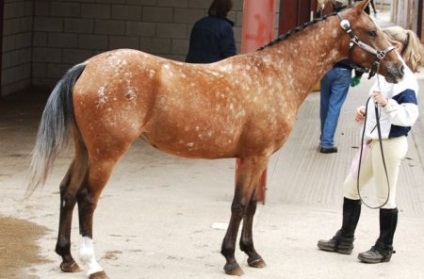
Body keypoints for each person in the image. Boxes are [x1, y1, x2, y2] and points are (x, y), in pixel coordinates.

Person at [317, 26, 424, 263]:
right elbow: (381, 103)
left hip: (390, 143)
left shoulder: (404, 78)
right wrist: (367, 109)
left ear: (395, 47)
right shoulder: (385, 72)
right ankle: (345, 238)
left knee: (386, 196)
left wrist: (386, 105)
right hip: (375, 140)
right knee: (351, 186)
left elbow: (408, 116)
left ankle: (384, 247)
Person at [319, 2, 365, 154]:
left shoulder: (329, 23)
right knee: (334, 107)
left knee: (325, 105)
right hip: (343, 72)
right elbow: (358, 51)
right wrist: (358, 75)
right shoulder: (352, 28)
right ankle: (327, 143)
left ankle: (323, 138)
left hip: (327, 70)